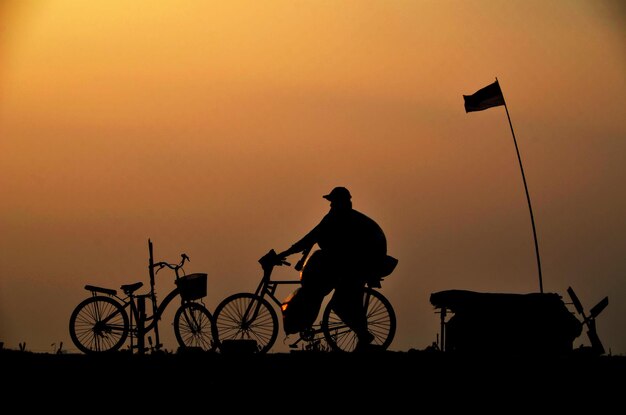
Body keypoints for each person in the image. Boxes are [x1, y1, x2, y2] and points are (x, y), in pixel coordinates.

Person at [277, 186, 389, 351]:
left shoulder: (340, 218)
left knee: (339, 303)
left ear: (339, 203)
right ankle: (362, 336)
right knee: (346, 296)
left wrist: (285, 253)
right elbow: (315, 238)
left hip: (365, 260)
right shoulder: (341, 217)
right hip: (358, 260)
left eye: (332, 203)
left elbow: (311, 238)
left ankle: (363, 334)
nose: (330, 206)